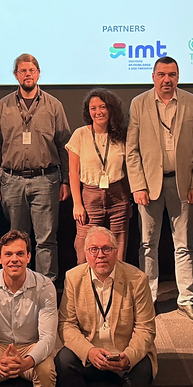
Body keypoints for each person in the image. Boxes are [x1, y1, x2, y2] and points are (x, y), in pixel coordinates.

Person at [126, 56, 193, 325]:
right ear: (153, 76)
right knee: (147, 244)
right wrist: (138, 185)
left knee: (183, 244)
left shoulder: (191, 103)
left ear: (178, 76)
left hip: (182, 184)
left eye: (172, 74)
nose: (167, 79)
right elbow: (132, 150)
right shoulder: (139, 103)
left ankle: (186, 299)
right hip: (149, 186)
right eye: (161, 74)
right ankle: (148, 298)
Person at [0, 53, 72, 282]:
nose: (27, 75)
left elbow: (64, 145)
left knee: (46, 240)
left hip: (46, 180)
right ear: (16, 75)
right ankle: (19, 285)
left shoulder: (54, 106)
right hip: (12, 181)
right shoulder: (3, 106)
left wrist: (65, 181)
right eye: (23, 71)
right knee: (16, 241)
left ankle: (46, 287)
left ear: (38, 73)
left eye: (31, 70)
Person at [56, 227, 156, 387]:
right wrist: (89, 352)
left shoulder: (137, 280)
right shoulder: (73, 278)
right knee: (63, 360)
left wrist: (128, 357)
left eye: (106, 249)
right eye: (94, 249)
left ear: (116, 252)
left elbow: (145, 328)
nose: (100, 255)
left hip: (124, 352)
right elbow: (66, 324)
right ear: (86, 253)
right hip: (90, 352)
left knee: (143, 366)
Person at [0, 230, 57, 387]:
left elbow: (48, 337)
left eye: (20, 254)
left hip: (32, 345)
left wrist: (27, 362)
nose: (14, 259)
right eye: (8, 254)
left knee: (46, 371)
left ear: (29, 257)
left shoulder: (45, 286)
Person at [67, 88, 131, 263]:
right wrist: (77, 204)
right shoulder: (80, 135)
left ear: (110, 109)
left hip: (118, 196)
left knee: (118, 246)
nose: (98, 112)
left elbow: (129, 169)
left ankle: (116, 279)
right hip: (90, 197)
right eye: (93, 108)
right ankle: (85, 280)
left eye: (102, 107)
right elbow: (73, 172)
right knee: (84, 246)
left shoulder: (121, 136)